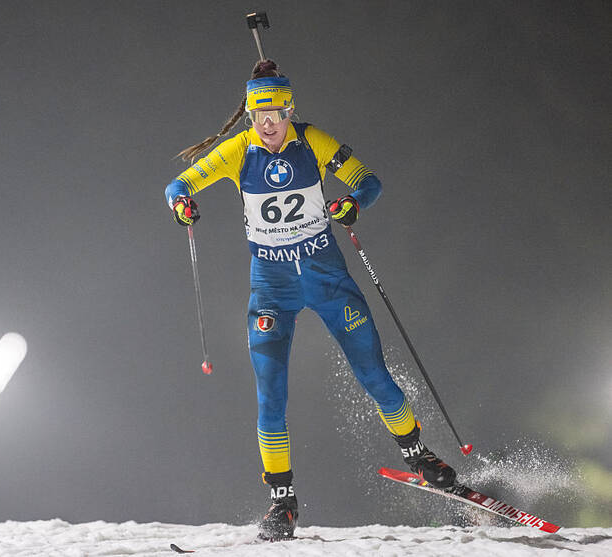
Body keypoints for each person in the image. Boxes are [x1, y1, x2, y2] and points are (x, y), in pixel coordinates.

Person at [164, 59, 457, 540]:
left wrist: (353, 203)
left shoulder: (312, 140)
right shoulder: (238, 150)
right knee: (271, 395)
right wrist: (182, 205)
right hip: (272, 289)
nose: (269, 125)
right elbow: (179, 185)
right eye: (260, 117)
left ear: (289, 111)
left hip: (327, 278)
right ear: (250, 117)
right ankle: (282, 503)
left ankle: (418, 454)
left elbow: (369, 181)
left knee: (374, 374)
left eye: (276, 115)